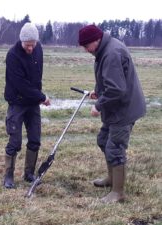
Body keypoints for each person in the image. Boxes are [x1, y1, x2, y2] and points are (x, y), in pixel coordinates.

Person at [78, 25, 146, 203]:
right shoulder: (104, 49)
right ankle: (111, 179)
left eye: (86, 46)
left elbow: (116, 89)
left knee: (115, 148)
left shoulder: (111, 53)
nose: (86, 51)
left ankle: (118, 192)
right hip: (116, 108)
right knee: (103, 141)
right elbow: (111, 81)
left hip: (124, 110)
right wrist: (98, 91)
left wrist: (98, 105)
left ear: (95, 40)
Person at [3, 22, 51, 189]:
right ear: (21, 41)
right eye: (27, 45)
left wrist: (37, 97)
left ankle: (29, 173)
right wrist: (41, 96)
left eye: (33, 44)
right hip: (17, 102)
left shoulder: (38, 49)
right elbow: (20, 84)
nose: (30, 48)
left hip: (33, 104)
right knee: (15, 142)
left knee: (35, 140)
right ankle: (8, 176)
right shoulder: (13, 55)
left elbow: (37, 77)